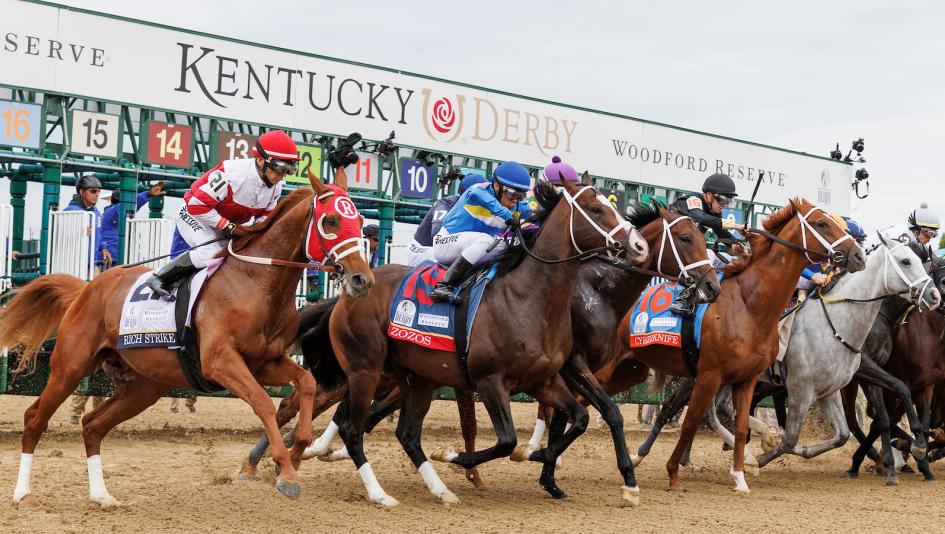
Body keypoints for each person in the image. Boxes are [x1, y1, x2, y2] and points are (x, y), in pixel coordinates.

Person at [145, 130, 299, 299]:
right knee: (211, 252)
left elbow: (263, 219)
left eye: (288, 170)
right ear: (261, 160)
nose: (282, 176)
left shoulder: (276, 188)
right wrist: (227, 226)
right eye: (280, 168)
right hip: (194, 213)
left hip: (222, 223)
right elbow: (197, 206)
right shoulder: (232, 175)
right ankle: (160, 276)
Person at [429, 161, 532, 303]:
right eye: (511, 194)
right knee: (486, 240)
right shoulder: (477, 190)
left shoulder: (521, 207)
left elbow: (536, 218)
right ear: (497, 186)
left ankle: (490, 280)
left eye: (520, 196)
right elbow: (483, 198)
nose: (515, 201)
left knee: (513, 245)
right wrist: (508, 216)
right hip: (446, 243)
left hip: (475, 248)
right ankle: (444, 285)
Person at [668, 173, 745, 316]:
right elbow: (700, 218)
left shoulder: (714, 212)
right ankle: (683, 299)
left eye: (729, 201)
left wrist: (739, 247)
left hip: (689, 256)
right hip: (673, 252)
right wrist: (734, 225)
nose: (725, 205)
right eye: (723, 200)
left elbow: (723, 236)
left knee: (727, 261)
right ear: (708, 195)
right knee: (708, 254)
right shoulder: (693, 200)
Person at [406, 173, 488, 267]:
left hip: (442, 248)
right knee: (452, 258)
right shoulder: (445, 204)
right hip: (420, 249)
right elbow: (437, 235)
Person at [99, 182, 167, 269]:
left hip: (113, 257)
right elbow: (126, 205)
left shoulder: (110, 214)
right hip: (112, 258)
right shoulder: (113, 210)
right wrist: (148, 194)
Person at [63, 175, 109, 271]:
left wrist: (103, 248)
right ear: (81, 192)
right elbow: (63, 237)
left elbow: (99, 235)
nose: (97, 194)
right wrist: (81, 233)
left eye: (98, 191)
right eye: (93, 191)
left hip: (91, 264)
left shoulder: (96, 212)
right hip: (72, 265)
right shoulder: (70, 212)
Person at [906, 203, 939, 267]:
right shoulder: (905, 241)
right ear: (916, 231)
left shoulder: (924, 250)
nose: (929, 240)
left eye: (933, 235)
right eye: (928, 234)